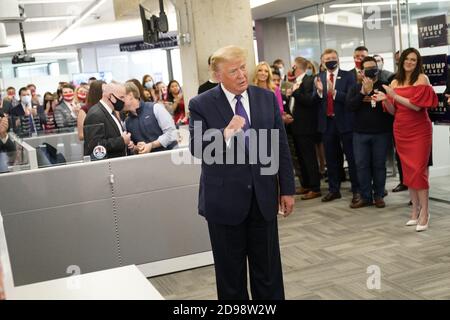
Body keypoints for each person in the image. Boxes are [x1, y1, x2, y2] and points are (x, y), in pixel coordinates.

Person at [189, 45, 295, 300]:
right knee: (231, 279)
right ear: (217, 75)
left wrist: (288, 189)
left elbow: (280, 146)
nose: (241, 75)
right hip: (224, 204)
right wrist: (225, 133)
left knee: (268, 274)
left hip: (263, 198)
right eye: (233, 70)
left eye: (242, 67)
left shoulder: (265, 98)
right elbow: (196, 148)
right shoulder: (201, 104)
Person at [372, 47, 438, 232]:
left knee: (419, 171)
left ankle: (425, 212)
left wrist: (394, 96)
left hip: (419, 130)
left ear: (418, 63)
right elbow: (394, 111)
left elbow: (417, 107)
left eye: (413, 60)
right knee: (408, 172)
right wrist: (385, 100)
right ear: (401, 62)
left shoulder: (422, 79)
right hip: (401, 130)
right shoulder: (394, 81)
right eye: (407, 59)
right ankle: (414, 211)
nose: (409, 62)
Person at [314, 48, 359, 204]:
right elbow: (314, 101)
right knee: (331, 160)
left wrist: (333, 93)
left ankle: (357, 190)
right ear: (322, 61)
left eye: (333, 57)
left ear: (338, 59)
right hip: (327, 124)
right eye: (327, 58)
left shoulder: (348, 76)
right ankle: (334, 190)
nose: (330, 60)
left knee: (352, 158)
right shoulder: (318, 77)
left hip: (346, 123)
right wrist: (320, 92)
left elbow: (352, 99)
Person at [347, 56, 393, 209]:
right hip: (360, 134)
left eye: (374, 67)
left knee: (379, 165)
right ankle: (365, 197)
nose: (371, 70)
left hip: (381, 133)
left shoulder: (385, 85)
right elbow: (350, 106)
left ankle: (379, 195)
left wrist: (384, 99)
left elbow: (392, 109)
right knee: (361, 165)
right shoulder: (355, 87)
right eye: (368, 68)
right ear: (361, 71)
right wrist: (362, 93)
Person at [290, 57, 322, 200]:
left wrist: (295, 93)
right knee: (301, 157)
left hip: (306, 126)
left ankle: (315, 187)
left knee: (309, 158)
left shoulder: (310, 80)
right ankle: (306, 184)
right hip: (295, 125)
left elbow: (310, 100)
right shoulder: (294, 82)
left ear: (296, 67)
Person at [123, 81, 178, 153]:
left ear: (130, 95)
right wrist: (135, 147)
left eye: (122, 97)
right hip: (146, 162)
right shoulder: (127, 122)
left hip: (168, 157)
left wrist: (151, 145)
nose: (119, 101)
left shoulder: (155, 108)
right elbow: (134, 148)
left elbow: (171, 133)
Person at [83, 82, 132, 159]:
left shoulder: (111, 111)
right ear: (110, 96)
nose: (124, 101)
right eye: (121, 97)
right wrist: (121, 141)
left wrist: (126, 142)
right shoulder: (95, 115)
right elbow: (95, 146)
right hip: (107, 166)